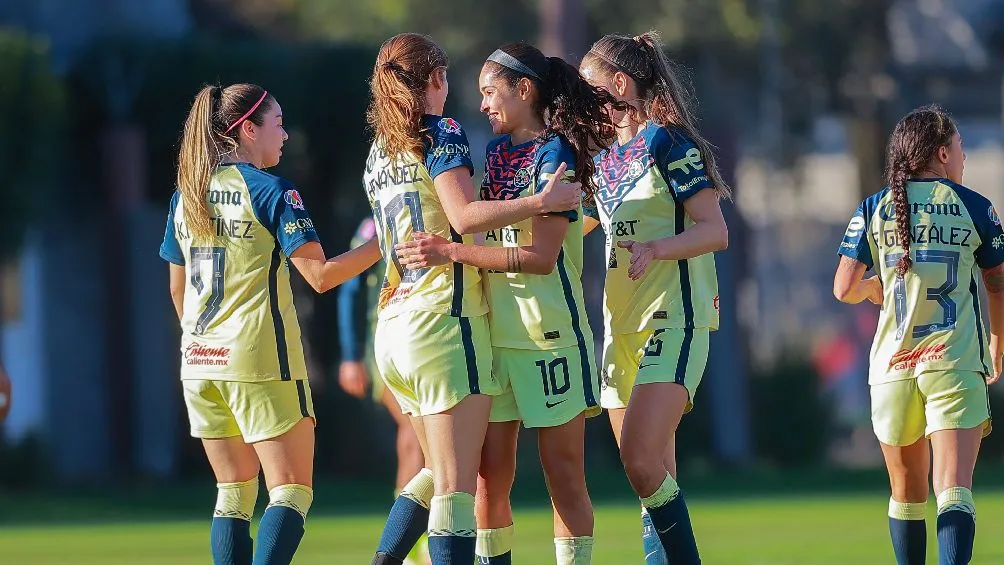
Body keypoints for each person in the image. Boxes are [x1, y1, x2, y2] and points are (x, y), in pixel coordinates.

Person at [364, 33, 583, 565]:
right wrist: (541, 201)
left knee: (441, 474)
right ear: (435, 79)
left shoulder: (381, 150)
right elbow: (461, 220)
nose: (477, 101)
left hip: (393, 328)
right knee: (458, 491)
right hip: (442, 324)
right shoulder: (441, 130)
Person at [160, 83, 380, 565]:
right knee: (290, 492)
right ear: (247, 129)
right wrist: (383, 243)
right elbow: (320, 277)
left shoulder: (187, 195)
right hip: (259, 361)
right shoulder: (271, 191)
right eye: (278, 123)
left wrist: (205, 343)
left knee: (233, 494)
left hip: (198, 363)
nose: (285, 134)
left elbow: (178, 290)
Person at [577, 31, 730, 565]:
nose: (582, 99)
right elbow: (575, 231)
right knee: (651, 478)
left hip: (675, 320)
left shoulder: (667, 143)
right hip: (620, 327)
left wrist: (658, 247)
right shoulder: (605, 158)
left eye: (589, 86)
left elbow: (715, 230)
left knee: (639, 460)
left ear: (620, 84)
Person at [834, 104, 1000, 565]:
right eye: (961, 147)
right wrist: (998, 342)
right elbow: (998, 282)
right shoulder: (973, 207)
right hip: (953, 362)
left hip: (891, 370)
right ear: (943, 153)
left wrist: (874, 288)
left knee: (906, 497)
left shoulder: (875, 206)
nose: (964, 158)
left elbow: (843, 287)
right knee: (953, 491)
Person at [337, 216, 430, 565]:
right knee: (415, 431)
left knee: (429, 438)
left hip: (428, 334)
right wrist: (349, 355)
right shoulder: (373, 225)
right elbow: (349, 287)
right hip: (387, 341)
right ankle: (408, 544)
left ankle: (417, 537)